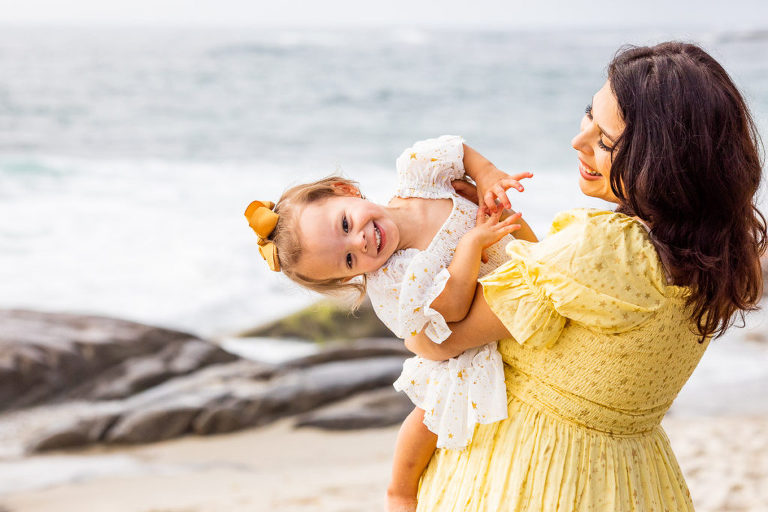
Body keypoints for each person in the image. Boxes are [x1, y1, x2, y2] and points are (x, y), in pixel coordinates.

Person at [404, 41, 766, 511]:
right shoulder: (716, 252)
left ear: (664, 164)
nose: (579, 141)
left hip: (531, 474)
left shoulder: (603, 246)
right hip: (632, 479)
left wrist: (392, 282)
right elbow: (567, 310)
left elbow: (439, 341)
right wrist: (494, 225)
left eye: (605, 141)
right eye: (587, 115)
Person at [243, 135, 536, 511]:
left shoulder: (419, 176)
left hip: (514, 280)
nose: (361, 242)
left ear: (345, 190)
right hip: (469, 336)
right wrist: (469, 248)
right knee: (431, 408)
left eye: (346, 223)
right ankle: (400, 490)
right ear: (349, 278)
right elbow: (455, 309)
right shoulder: (397, 278)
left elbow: (459, 151)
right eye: (348, 260)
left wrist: (488, 174)